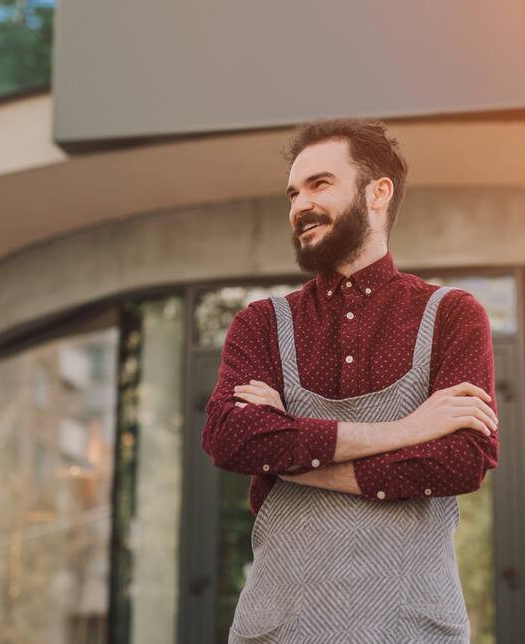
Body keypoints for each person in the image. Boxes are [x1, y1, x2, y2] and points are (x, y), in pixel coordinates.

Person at [202, 117, 500, 643]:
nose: (299, 206)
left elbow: (460, 462)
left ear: (377, 192)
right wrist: (406, 430)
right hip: (283, 628)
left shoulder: (452, 314)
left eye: (320, 184)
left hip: (411, 630)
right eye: (293, 192)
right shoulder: (262, 324)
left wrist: (290, 454)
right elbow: (230, 439)